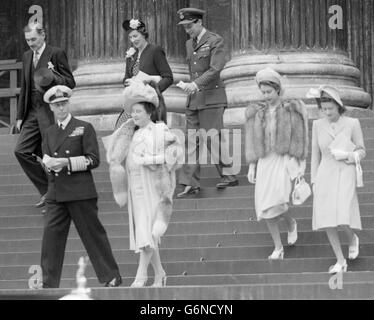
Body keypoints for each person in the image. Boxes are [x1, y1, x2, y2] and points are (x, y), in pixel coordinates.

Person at [103, 80, 183, 287]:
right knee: (145, 231)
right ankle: (160, 274)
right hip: (136, 188)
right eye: (133, 112)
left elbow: (176, 155)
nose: (135, 115)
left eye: (138, 111)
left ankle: (141, 276)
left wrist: (152, 160)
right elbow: (117, 157)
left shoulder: (159, 129)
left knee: (148, 232)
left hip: (154, 187)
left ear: (149, 112)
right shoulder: (131, 133)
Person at [40, 85, 122, 288]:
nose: (61, 108)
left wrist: (66, 163)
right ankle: (48, 283)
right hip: (56, 192)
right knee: (50, 240)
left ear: (68, 103)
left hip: (80, 191)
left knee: (93, 236)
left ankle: (111, 276)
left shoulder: (84, 127)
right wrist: (49, 165)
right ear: (51, 108)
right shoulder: (49, 132)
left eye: (63, 103)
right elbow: (47, 156)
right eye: (57, 105)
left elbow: (93, 160)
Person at [245, 67, 309, 260]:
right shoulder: (257, 112)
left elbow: (300, 136)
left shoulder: (291, 109)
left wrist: (298, 162)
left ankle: (290, 223)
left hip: (283, 159)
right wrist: (252, 165)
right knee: (265, 207)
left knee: (279, 202)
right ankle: (278, 247)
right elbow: (252, 139)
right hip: (265, 160)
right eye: (263, 92)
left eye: (269, 92)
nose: (265, 96)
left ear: (278, 90)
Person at [176, 8, 238, 197]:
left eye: (189, 26)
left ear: (199, 22)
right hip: (195, 99)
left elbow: (215, 69)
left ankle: (228, 176)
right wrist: (191, 87)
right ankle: (190, 182)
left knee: (212, 137)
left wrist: (194, 84)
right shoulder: (189, 44)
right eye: (185, 27)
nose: (187, 31)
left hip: (212, 97)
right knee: (191, 140)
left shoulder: (215, 40)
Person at [14, 23, 76, 209]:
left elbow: (70, 82)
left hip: (50, 111)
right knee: (21, 151)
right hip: (31, 111)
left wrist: (53, 77)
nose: (30, 43)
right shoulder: (26, 56)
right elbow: (24, 87)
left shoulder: (55, 53)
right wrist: (19, 116)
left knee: (50, 152)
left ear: (43, 35)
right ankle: (47, 191)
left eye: (33, 39)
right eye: (27, 40)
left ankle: (57, 196)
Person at [310, 85, 365, 274]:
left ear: (338, 106)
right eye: (323, 109)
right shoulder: (317, 125)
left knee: (343, 215)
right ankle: (340, 260)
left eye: (330, 109)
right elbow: (314, 156)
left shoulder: (352, 123)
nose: (327, 113)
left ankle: (352, 238)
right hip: (325, 173)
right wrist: (314, 181)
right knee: (327, 219)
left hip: (345, 171)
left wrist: (347, 155)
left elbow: (361, 150)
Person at [114, 18, 173, 130]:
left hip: (150, 104)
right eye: (130, 37)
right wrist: (129, 82)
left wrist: (151, 90)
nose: (133, 40)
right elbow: (126, 78)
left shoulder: (155, 50)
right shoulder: (131, 54)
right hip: (134, 103)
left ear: (143, 34)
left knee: (148, 139)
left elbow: (168, 78)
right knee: (120, 130)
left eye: (135, 36)